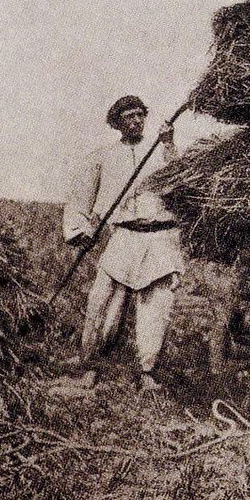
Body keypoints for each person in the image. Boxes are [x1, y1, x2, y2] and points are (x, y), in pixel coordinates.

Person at [62, 95, 183, 390]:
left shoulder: (159, 152)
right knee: (101, 302)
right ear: (117, 123)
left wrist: (168, 143)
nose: (137, 120)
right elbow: (81, 195)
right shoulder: (103, 157)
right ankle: (90, 367)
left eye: (141, 115)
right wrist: (81, 230)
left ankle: (147, 373)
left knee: (156, 305)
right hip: (124, 236)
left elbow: (180, 177)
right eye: (129, 116)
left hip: (159, 238)